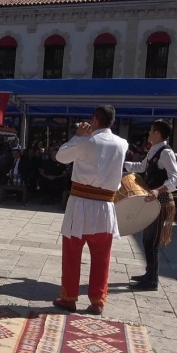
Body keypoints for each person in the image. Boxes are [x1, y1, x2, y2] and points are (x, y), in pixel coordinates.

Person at [52, 105, 128, 315]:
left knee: (72, 254)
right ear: (112, 122)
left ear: (95, 119)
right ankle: (97, 300)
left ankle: (69, 298)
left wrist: (77, 136)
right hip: (105, 206)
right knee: (102, 256)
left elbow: (61, 157)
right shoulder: (122, 143)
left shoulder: (85, 142)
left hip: (80, 204)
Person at [123, 119, 177, 291]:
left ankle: (152, 280)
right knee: (147, 239)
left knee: (152, 241)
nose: (148, 133)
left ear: (157, 133)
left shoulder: (166, 152)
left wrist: (158, 190)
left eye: (150, 131)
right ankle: (149, 273)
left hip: (162, 200)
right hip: (153, 199)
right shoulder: (154, 150)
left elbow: (175, 179)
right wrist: (121, 164)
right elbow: (141, 167)